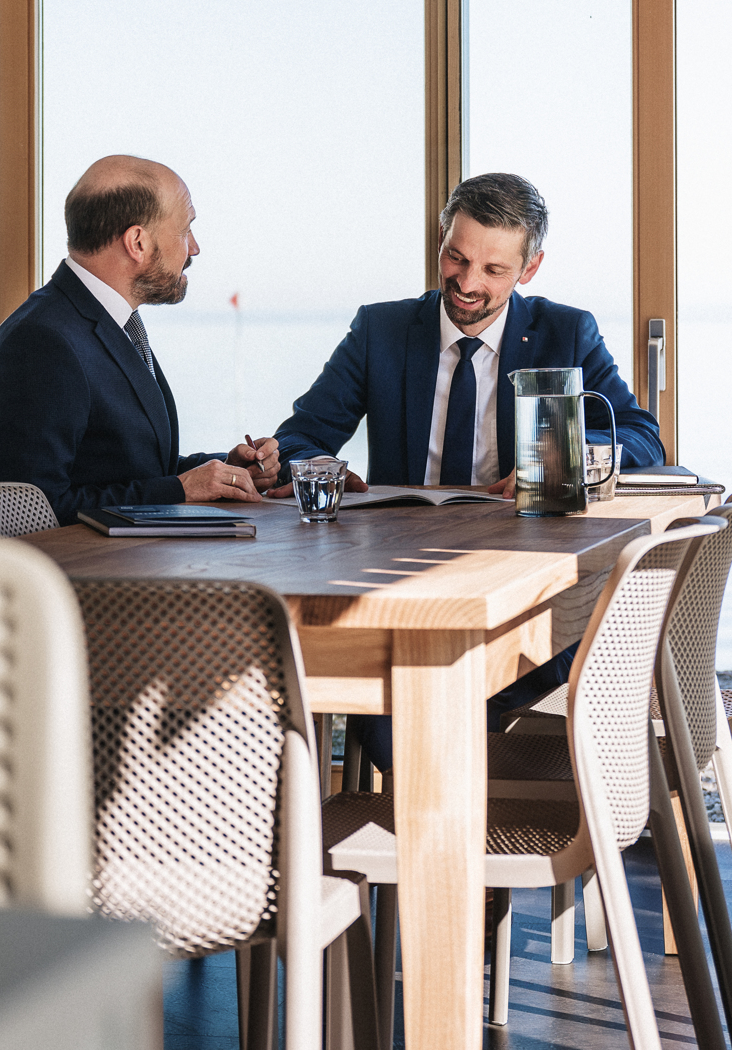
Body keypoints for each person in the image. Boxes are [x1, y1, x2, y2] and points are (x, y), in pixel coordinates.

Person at [273, 171, 662, 767]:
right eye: (456, 258)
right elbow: (300, 438)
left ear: (528, 269)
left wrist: (562, 459)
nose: (468, 284)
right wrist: (319, 466)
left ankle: (462, 827)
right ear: (440, 240)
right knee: (401, 719)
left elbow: (642, 437)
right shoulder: (382, 330)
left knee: (426, 717)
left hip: (523, 581)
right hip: (404, 582)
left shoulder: (566, 332)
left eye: (493, 270)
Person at [0, 154, 279, 524]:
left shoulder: (105, 322)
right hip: (82, 578)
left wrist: (225, 473)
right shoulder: (42, 343)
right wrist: (179, 489)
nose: (193, 248)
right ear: (138, 242)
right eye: (184, 230)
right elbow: (30, 512)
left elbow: (127, 470)